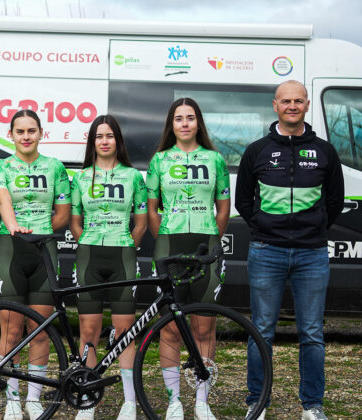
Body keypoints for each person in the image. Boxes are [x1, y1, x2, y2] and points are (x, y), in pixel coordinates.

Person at [236, 80, 344, 420]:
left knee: (311, 333)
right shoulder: (257, 150)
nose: (292, 106)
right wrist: (264, 227)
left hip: (312, 253)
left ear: (307, 105)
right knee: (261, 330)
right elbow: (243, 201)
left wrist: (314, 227)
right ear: (275, 105)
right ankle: (257, 402)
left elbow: (335, 201)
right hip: (267, 251)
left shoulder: (325, 151)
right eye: (286, 101)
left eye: (298, 101)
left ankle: (312, 406)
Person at [145, 98, 230, 420]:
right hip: (170, 244)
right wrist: (164, 239)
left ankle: (201, 402)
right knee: (169, 328)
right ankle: (174, 402)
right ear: (171, 124)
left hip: (205, 244)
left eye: (190, 118)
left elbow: (224, 207)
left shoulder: (215, 159)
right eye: (179, 118)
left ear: (198, 123)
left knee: (204, 327)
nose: (184, 123)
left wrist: (213, 239)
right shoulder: (159, 161)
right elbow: (152, 209)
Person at [0, 109, 71, 420]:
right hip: (11, 247)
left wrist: (39, 231)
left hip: (44, 249)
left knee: (40, 328)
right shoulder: (0, 166)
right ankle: (12, 400)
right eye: (20, 131)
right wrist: (15, 227)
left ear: (41, 133)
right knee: (10, 329)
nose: (26, 136)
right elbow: (2, 199)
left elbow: (62, 213)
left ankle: (33, 398)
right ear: (10, 135)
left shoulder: (55, 167)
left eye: (31, 130)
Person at [70, 115, 148, 420]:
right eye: (99, 136)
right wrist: (87, 242)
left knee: (125, 331)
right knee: (88, 329)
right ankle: (88, 398)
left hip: (122, 256)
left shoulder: (133, 177)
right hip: (90, 255)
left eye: (110, 136)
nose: (104, 141)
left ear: (118, 141)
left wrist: (128, 244)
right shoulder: (80, 177)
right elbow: (75, 222)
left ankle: (129, 402)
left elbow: (141, 222)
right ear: (92, 142)